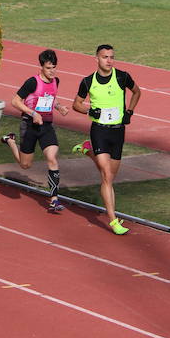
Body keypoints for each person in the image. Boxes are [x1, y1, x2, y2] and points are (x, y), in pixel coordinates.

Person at [72, 44, 141, 235]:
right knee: (106, 176)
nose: (109, 61)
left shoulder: (122, 76)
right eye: (105, 57)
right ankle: (113, 220)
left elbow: (137, 92)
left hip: (118, 132)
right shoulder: (87, 81)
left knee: (110, 176)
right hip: (99, 131)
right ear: (97, 59)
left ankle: (87, 150)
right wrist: (89, 110)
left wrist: (130, 112)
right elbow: (76, 104)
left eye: (111, 57)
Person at [0, 49, 70, 213]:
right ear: (41, 67)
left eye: (54, 67)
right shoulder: (32, 82)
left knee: (52, 158)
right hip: (29, 125)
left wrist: (59, 107)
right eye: (48, 68)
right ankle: (10, 140)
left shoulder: (56, 81)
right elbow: (15, 101)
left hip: (46, 126)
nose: (52, 71)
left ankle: (54, 200)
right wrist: (33, 113)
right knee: (25, 165)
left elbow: (51, 98)